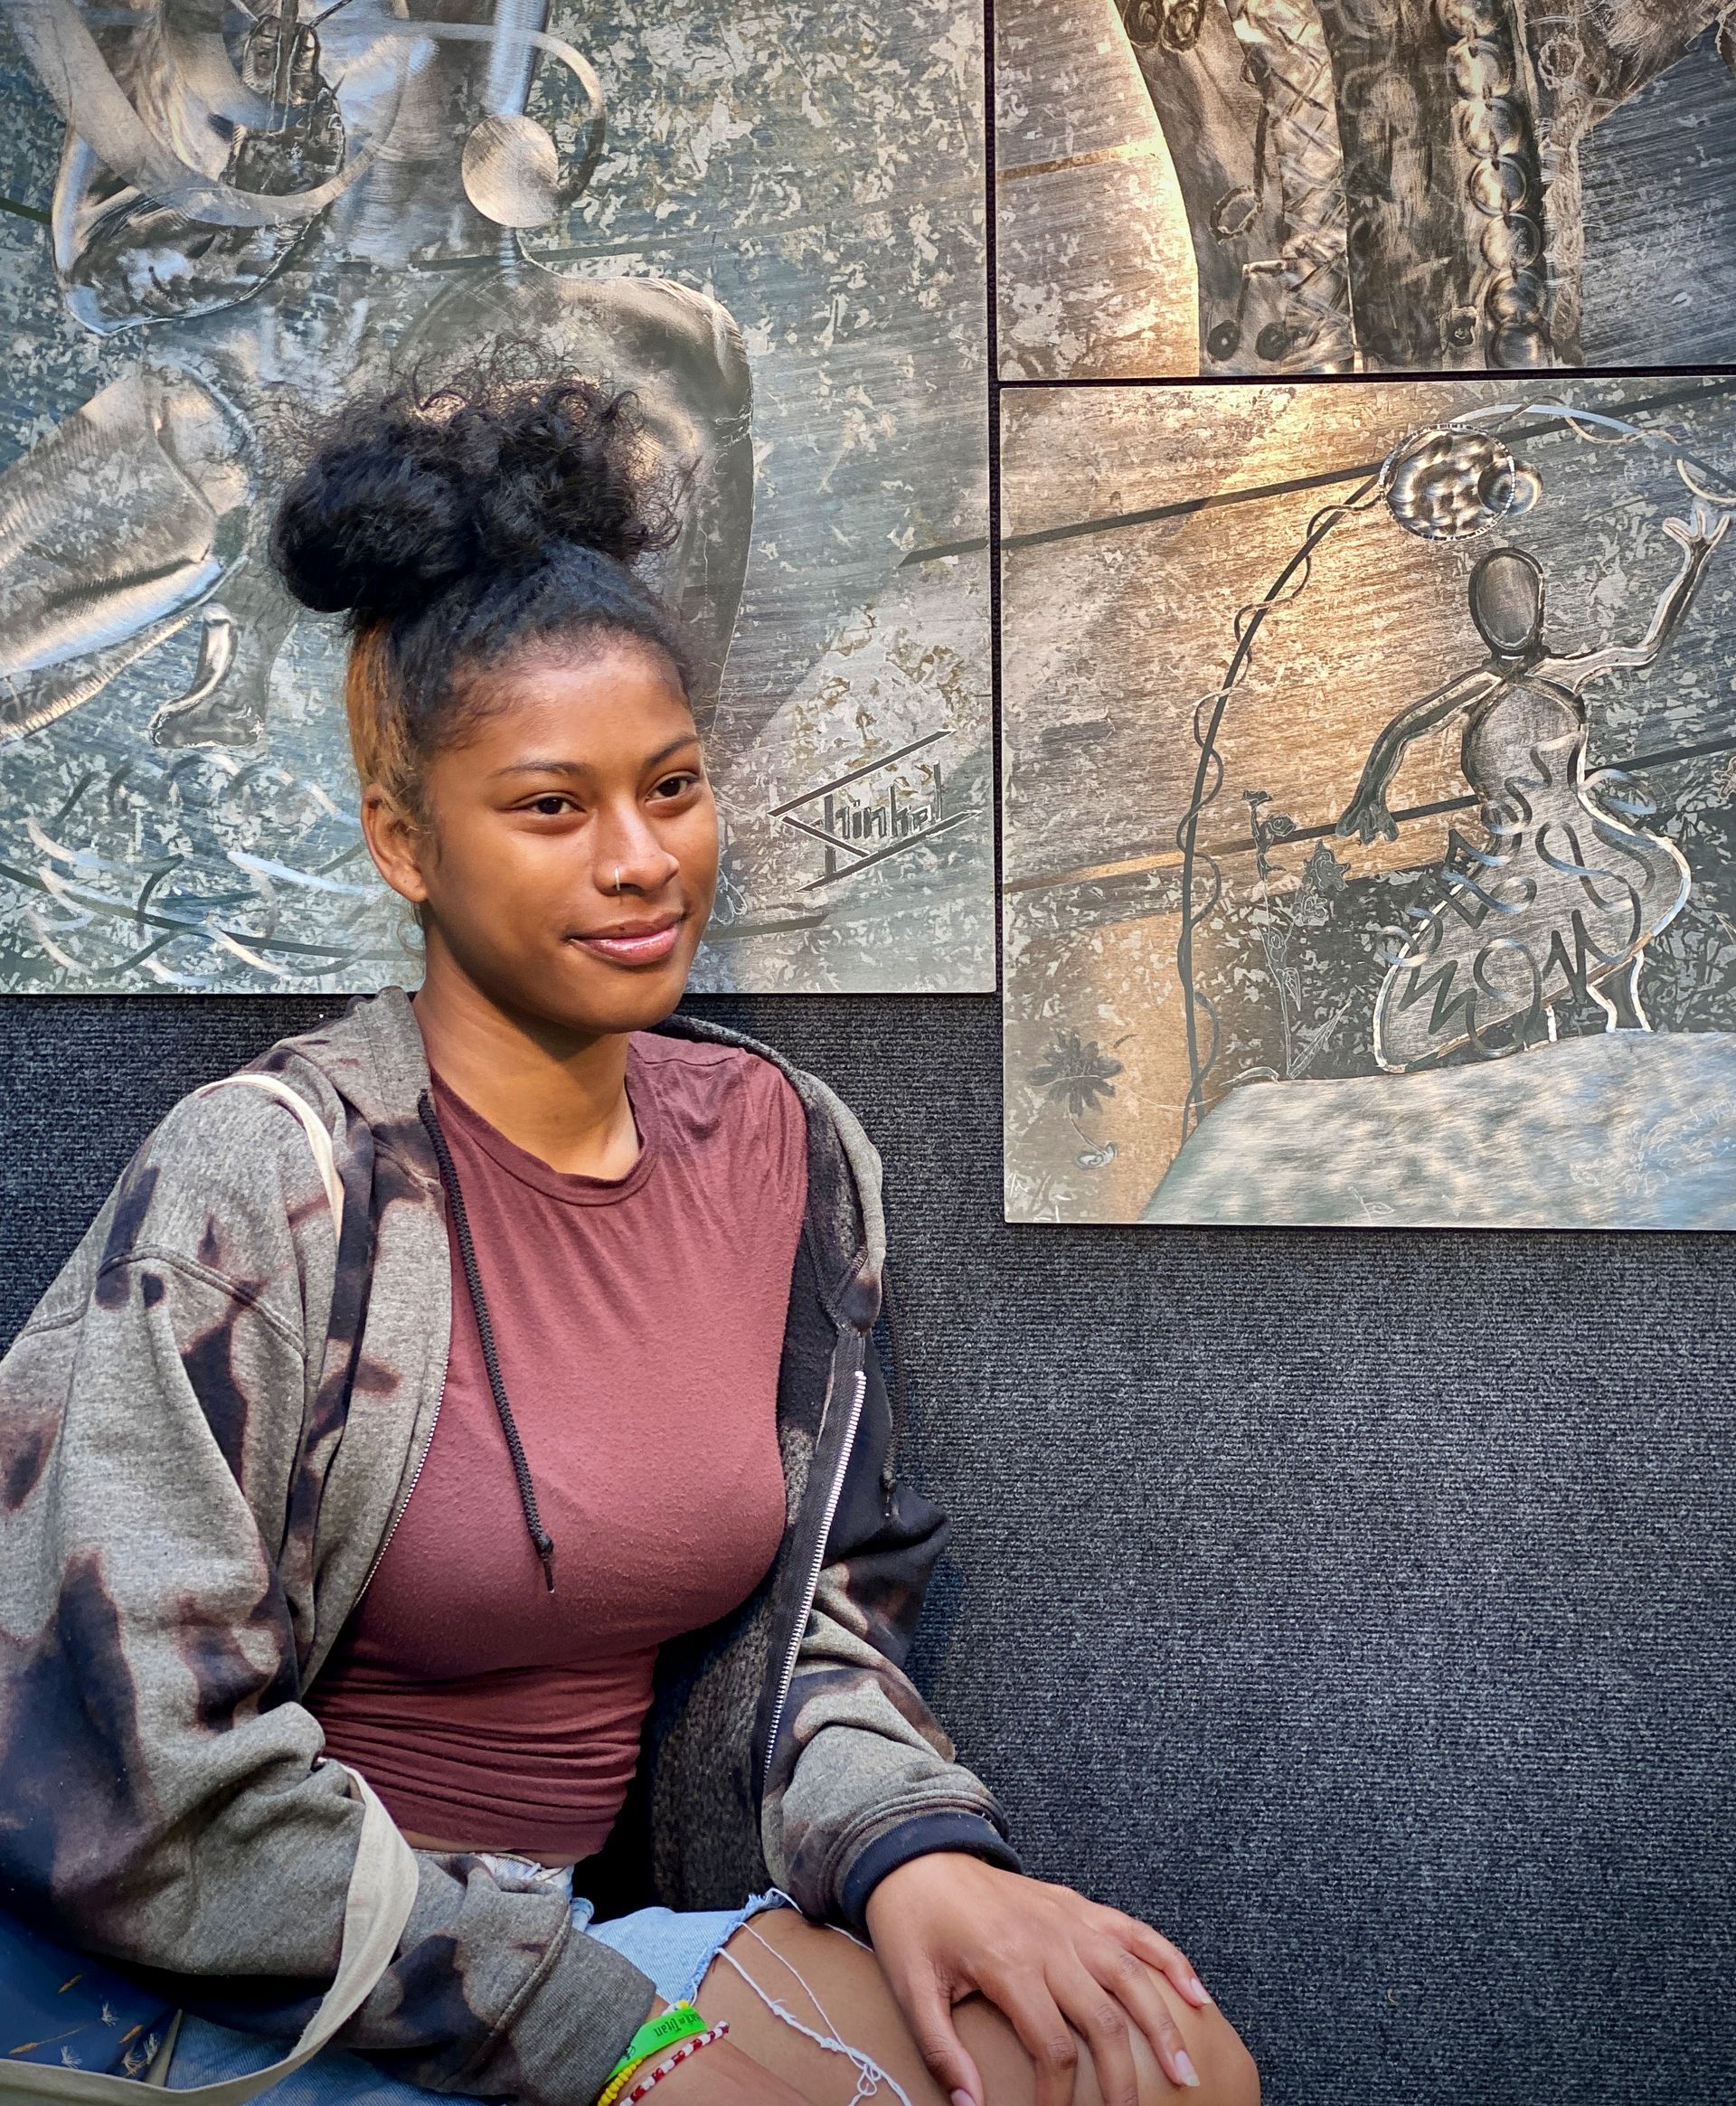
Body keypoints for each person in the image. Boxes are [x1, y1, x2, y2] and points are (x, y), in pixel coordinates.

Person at [0, 371, 1260, 2106]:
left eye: (670, 786)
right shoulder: (266, 1185)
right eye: (550, 807)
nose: (639, 861)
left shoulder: (782, 1154)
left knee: (1165, 2069)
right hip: (245, 1999)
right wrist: (592, 2032)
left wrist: (919, 1859)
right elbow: (121, 1777)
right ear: (403, 842)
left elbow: (829, 1613)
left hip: (577, 1951)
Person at [1335, 508, 1728, 1068]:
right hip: (1513, 851)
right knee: (1511, 942)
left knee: (1614, 904)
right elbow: (1404, 727)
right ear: (1480, 619)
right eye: (1495, 609)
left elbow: (1646, 649)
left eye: (1517, 603)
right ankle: (1532, 1051)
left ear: (1538, 609)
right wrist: (1369, 794)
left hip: (1577, 833)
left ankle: (1627, 1019)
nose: (1508, 619)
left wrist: (1695, 561)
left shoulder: (1565, 674)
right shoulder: (1478, 684)